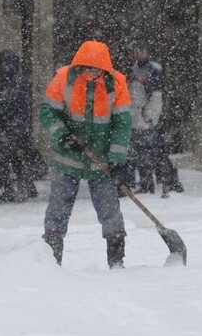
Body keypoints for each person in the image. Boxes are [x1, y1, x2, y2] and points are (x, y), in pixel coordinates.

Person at [39, 40, 132, 268]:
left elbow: (123, 124)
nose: (92, 71)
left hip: (100, 160)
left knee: (109, 208)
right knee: (58, 207)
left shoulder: (117, 84)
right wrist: (63, 134)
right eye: (87, 66)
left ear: (105, 68)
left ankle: (116, 259)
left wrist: (117, 158)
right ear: (80, 64)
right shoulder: (63, 79)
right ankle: (52, 256)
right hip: (66, 157)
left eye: (96, 67)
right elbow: (47, 112)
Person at [122, 41, 183, 197]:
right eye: (132, 53)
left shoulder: (153, 69)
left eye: (137, 52)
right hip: (135, 117)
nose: (134, 56)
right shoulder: (134, 69)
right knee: (138, 153)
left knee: (157, 152)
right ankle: (146, 183)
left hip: (147, 119)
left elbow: (156, 97)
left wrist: (148, 117)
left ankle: (171, 182)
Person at [0, 50, 38, 202]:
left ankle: (10, 189)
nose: (0, 67)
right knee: (12, 160)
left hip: (12, 129)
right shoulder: (2, 82)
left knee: (8, 160)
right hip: (6, 128)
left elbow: (20, 108)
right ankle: (19, 188)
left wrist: (14, 127)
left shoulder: (16, 84)